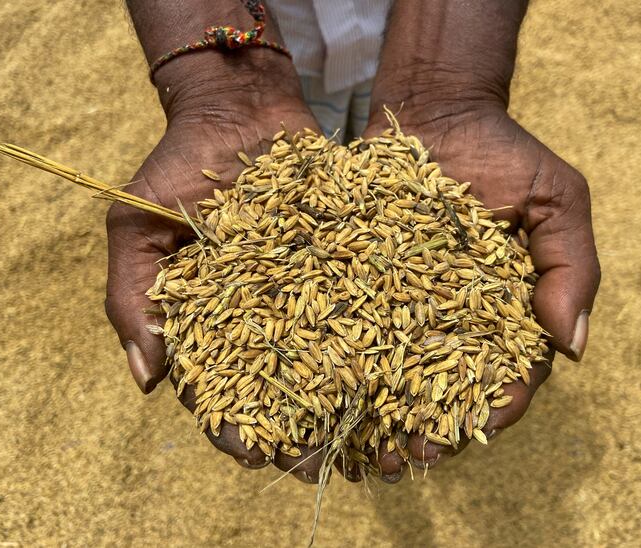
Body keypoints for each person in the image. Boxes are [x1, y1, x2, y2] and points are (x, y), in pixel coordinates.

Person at [106, 0, 601, 484]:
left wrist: (447, 79)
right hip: (252, 23)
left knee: (373, 101)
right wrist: (219, 82)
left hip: (451, 22)